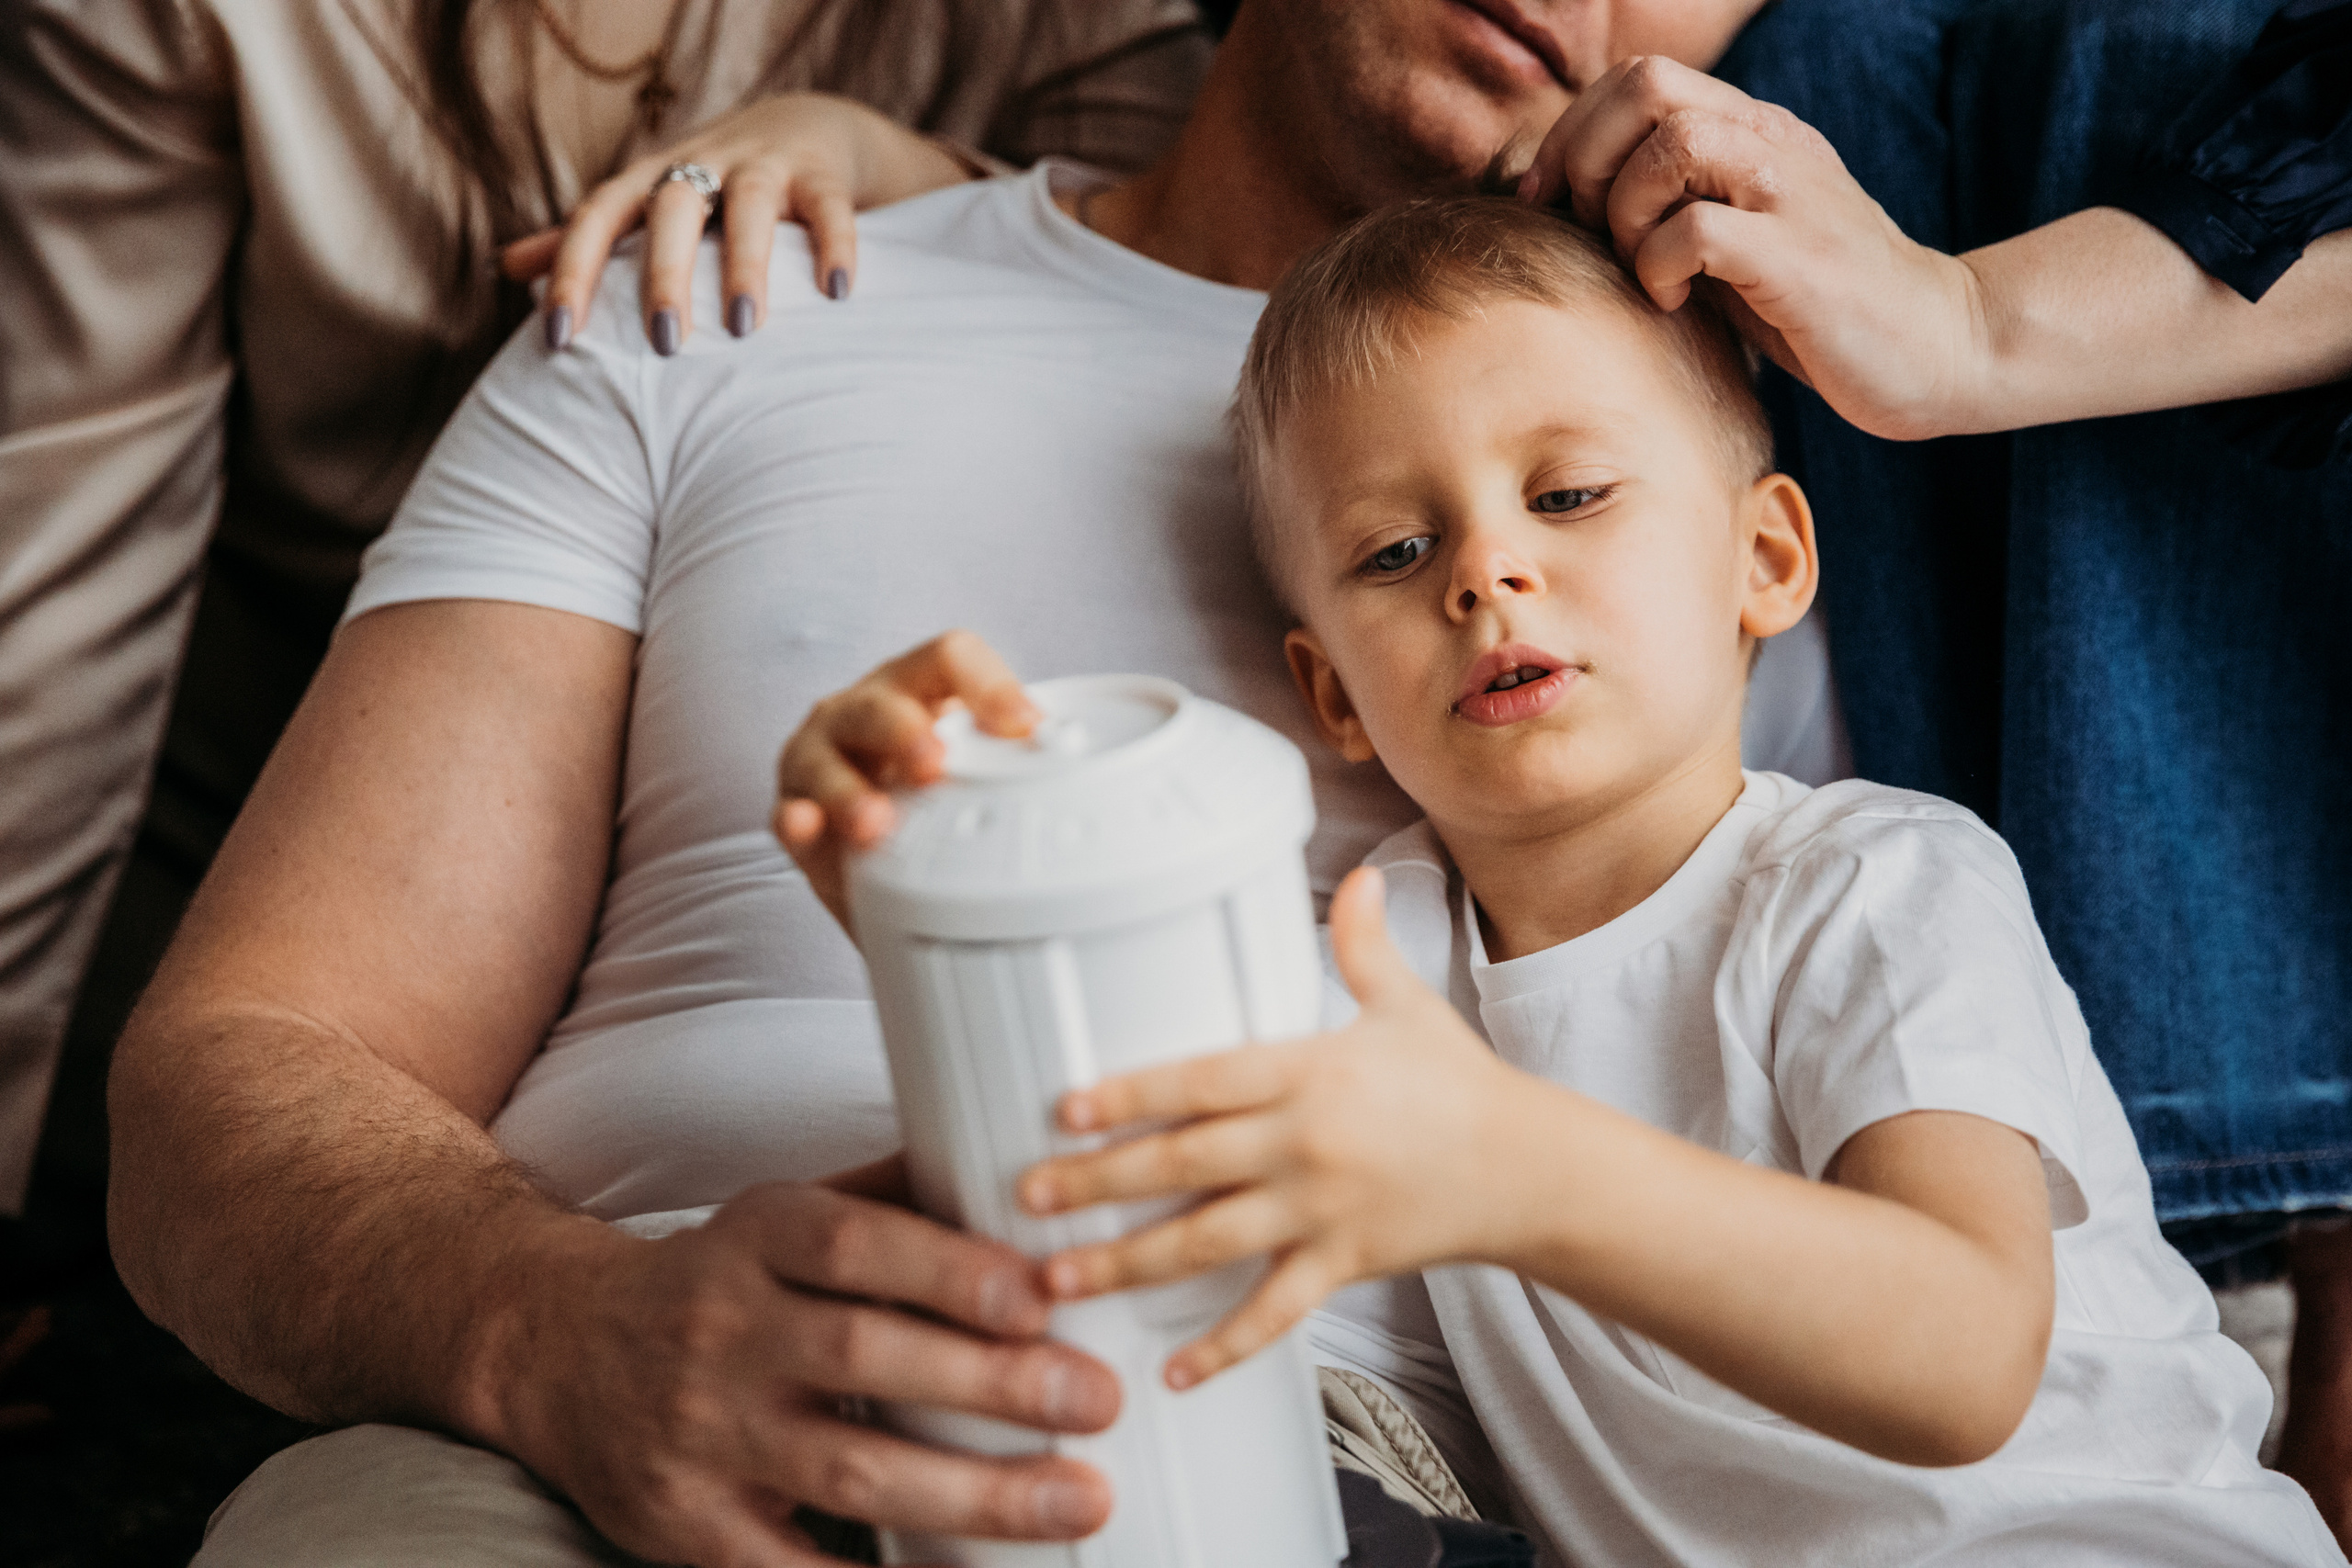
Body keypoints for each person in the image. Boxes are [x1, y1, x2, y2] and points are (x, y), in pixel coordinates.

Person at [108, 4, 1849, 1563]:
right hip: (585, 1405)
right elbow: (233, 1070)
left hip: (1321, 1440)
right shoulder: (719, 302)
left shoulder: (1681, 498)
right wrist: (546, 1328)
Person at [778, 194, 2342, 1566]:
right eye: (1395, 552)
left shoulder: (1873, 878)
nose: (1484, 571)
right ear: (1333, 699)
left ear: (1767, 561)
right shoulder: (1375, 949)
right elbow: (1101, 1142)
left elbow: (1963, 1353)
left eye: (1571, 493)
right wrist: (918, 863)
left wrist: (1510, 1167)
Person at [0, 0, 1210, 1220]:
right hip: (250, 710)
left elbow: (1183, 265)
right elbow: (53, 576)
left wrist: (911, 170)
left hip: (711, 663)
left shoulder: (1058, 19)